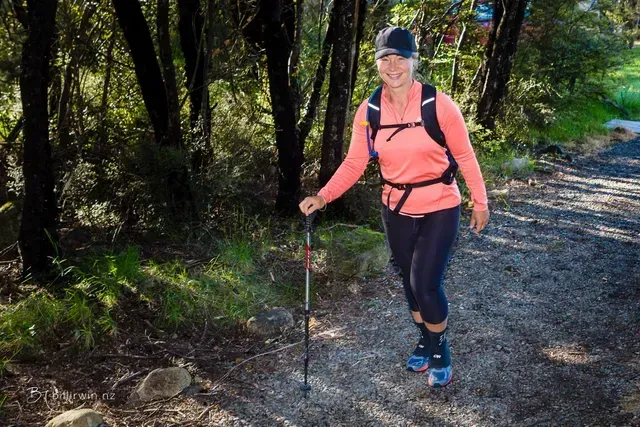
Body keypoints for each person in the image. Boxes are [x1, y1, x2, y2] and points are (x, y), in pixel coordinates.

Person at [299, 26, 489, 388]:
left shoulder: (438, 104)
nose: (393, 65)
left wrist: (480, 202)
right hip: (395, 207)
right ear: (377, 64)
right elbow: (355, 163)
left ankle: (439, 348)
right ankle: (426, 337)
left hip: (440, 205)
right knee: (409, 284)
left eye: (400, 57)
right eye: (385, 58)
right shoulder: (369, 111)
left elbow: (464, 155)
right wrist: (323, 196)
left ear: (413, 60)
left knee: (425, 283)